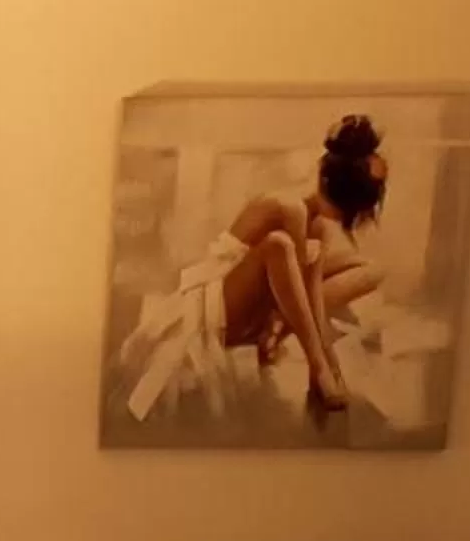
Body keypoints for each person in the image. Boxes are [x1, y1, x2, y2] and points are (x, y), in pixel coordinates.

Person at [117, 115, 390, 423]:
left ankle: (280, 327)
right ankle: (308, 356)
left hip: (263, 304)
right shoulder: (289, 208)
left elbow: (310, 290)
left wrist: (330, 359)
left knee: (370, 269)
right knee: (278, 245)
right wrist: (323, 366)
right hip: (215, 306)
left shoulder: (319, 226)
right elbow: (305, 287)